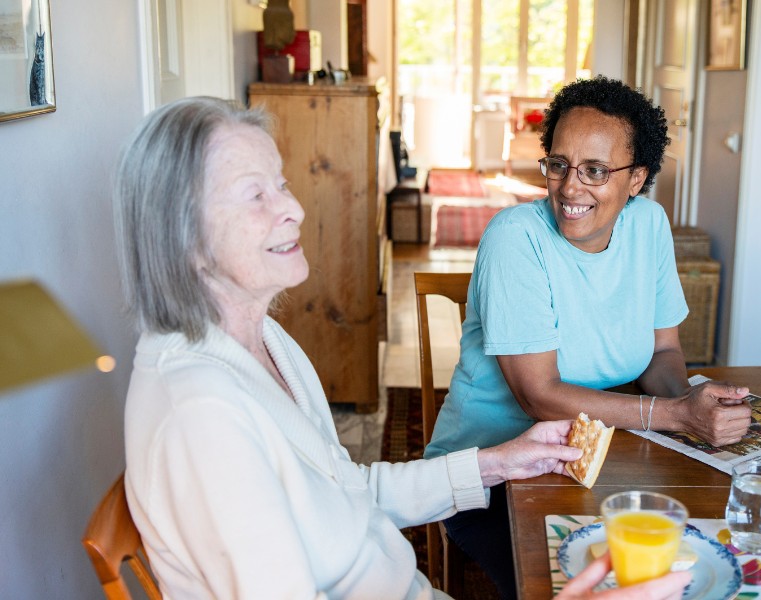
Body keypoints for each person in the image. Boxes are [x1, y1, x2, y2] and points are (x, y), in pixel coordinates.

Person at [113, 96, 690, 600]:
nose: (292, 208)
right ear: (181, 235)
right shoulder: (200, 416)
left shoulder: (265, 341)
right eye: (254, 195)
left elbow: (346, 491)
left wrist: (499, 462)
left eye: (282, 184)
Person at [424, 76, 752, 598]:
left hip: (602, 459)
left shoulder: (649, 225)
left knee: (692, 568)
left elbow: (663, 352)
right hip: (493, 476)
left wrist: (691, 405)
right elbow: (539, 395)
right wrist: (672, 416)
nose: (571, 187)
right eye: (559, 164)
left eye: (595, 170)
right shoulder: (515, 237)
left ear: (636, 179)